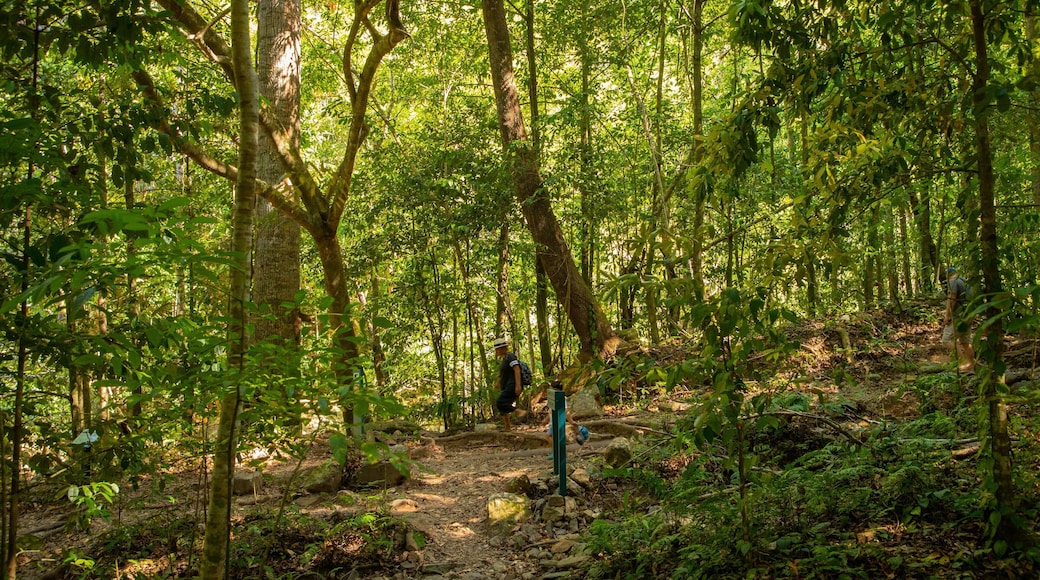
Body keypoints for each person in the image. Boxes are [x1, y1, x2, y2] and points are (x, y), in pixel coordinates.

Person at [943, 266, 975, 373]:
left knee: (947, 339)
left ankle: (964, 363)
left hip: (959, 316)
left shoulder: (953, 281)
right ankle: (971, 364)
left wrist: (948, 315)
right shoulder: (965, 282)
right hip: (969, 314)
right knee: (965, 341)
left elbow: (952, 299)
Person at [493, 337, 523, 431]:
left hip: (512, 385)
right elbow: (504, 373)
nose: (496, 352)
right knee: (503, 406)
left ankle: (518, 411)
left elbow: (517, 369)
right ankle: (507, 427)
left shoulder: (510, 357)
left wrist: (518, 385)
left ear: (501, 349)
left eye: (497, 350)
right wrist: (498, 381)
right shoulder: (505, 359)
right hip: (507, 385)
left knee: (500, 403)